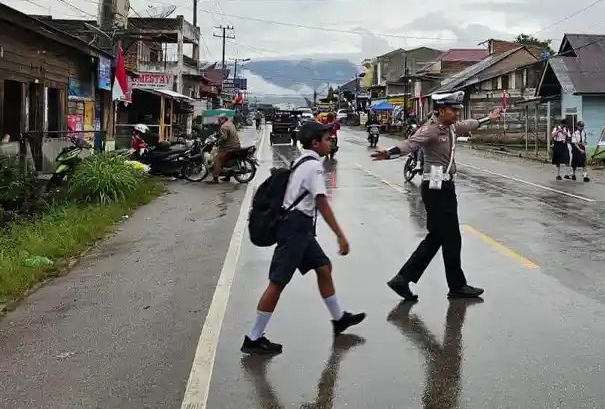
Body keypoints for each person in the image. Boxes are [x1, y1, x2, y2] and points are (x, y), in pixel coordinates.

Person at [241, 121, 365, 355]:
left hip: (301, 228)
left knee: (324, 268)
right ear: (315, 143)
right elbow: (321, 202)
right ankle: (253, 338)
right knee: (277, 283)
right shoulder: (314, 167)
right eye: (326, 139)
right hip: (295, 229)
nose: (330, 142)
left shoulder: (302, 161)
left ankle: (339, 318)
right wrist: (340, 235)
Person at [373, 91, 501, 301]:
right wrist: (389, 153)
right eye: (453, 110)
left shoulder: (451, 127)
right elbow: (410, 144)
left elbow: (469, 125)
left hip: (445, 186)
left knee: (439, 237)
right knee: (448, 237)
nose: (457, 114)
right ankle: (452, 285)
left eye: (458, 110)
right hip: (435, 189)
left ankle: (406, 280)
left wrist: (488, 118)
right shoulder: (430, 129)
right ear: (441, 111)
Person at [212, 115, 241, 183]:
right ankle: (227, 176)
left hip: (230, 147)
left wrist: (218, 142)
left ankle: (215, 177)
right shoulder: (230, 123)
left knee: (217, 158)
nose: (218, 122)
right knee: (225, 160)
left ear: (223, 119)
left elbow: (224, 138)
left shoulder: (224, 127)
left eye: (219, 120)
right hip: (236, 145)